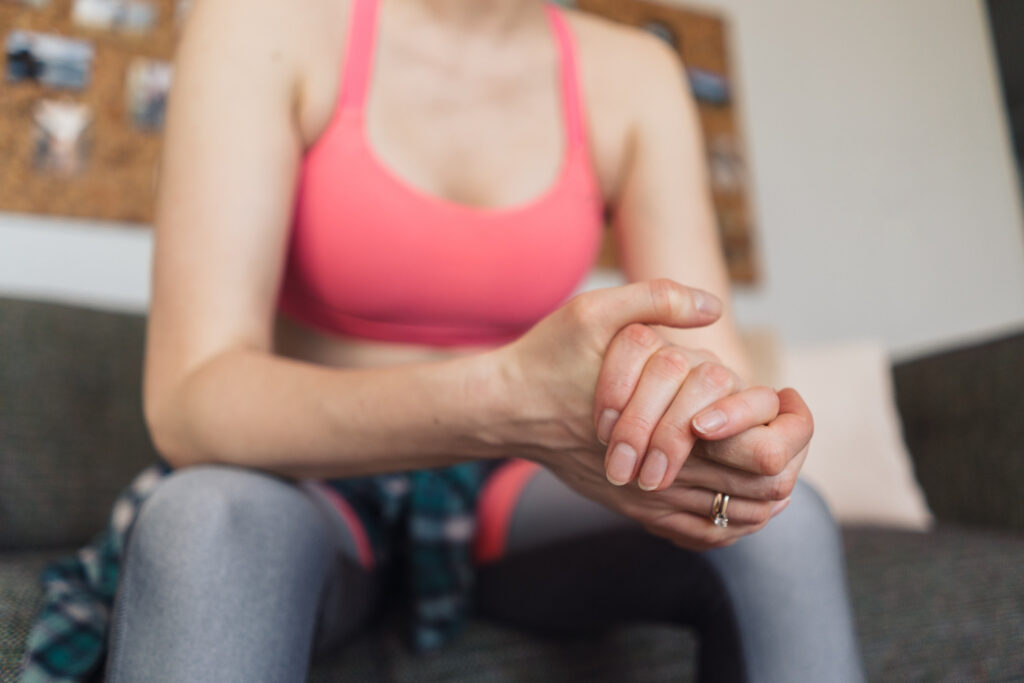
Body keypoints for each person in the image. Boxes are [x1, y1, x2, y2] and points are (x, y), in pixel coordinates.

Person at [62, 0, 865, 680]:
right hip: (314, 477)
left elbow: (713, 365)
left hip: (517, 494)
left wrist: (734, 437)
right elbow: (189, 400)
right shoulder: (266, 20)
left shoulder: (634, 74)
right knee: (203, 521)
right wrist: (507, 400)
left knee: (787, 525)